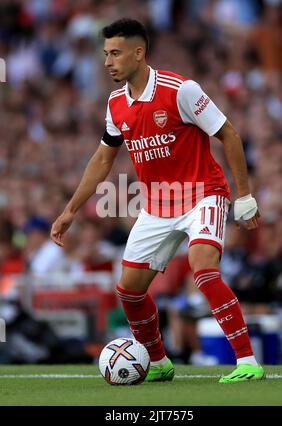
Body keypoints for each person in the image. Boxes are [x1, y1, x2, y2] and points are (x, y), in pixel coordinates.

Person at [50, 18, 264, 383]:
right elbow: (103, 159)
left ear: (139, 52)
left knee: (204, 268)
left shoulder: (181, 89)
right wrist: (70, 210)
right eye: (105, 54)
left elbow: (228, 134)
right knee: (128, 290)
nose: (107, 62)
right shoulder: (116, 103)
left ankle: (247, 362)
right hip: (158, 206)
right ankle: (159, 362)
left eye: (115, 53)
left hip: (203, 194)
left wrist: (243, 195)